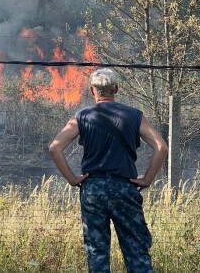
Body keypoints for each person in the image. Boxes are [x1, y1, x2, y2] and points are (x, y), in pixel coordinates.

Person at [49, 68, 168, 273]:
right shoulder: (135, 116)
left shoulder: (82, 117)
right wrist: (147, 178)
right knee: (136, 250)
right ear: (116, 88)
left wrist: (72, 179)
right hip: (124, 188)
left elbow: (55, 147)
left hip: (93, 190)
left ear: (92, 91)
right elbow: (161, 147)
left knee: (97, 253)